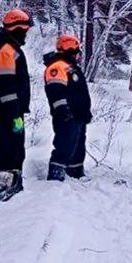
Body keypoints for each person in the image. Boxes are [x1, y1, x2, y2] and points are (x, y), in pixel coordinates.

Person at [0, 9, 32, 174]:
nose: (26, 34)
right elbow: (5, 85)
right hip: (9, 111)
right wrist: (14, 113)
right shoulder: (4, 51)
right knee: (9, 149)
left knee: (16, 147)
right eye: (25, 30)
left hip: (12, 109)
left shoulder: (8, 48)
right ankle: (3, 179)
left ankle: (11, 179)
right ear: (17, 29)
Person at [43, 34, 92, 181]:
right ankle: (56, 175)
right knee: (65, 143)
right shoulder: (57, 67)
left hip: (77, 116)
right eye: (78, 52)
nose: (80, 56)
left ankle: (76, 172)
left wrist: (85, 113)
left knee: (78, 144)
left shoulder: (70, 67)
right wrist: (63, 110)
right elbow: (55, 91)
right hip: (66, 115)